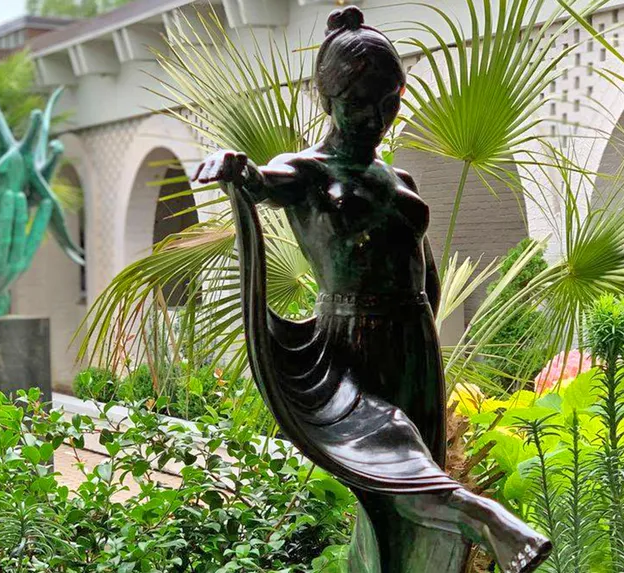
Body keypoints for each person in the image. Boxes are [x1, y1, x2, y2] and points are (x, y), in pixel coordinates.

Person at [193, 7, 550, 573]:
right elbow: (264, 182)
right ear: (327, 98)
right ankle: (490, 523)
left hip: (414, 342)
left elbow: (421, 266)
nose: (376, 117)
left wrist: (428, 329)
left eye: (388, 102)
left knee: (405, 491)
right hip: (353, 337)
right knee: (394, 457)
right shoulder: (306, 169)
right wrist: (238, 171)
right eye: (360, 101)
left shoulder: (399, 178)